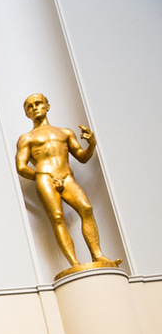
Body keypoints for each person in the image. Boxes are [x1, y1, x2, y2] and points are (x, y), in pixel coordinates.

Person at [15, 93, 118, 270]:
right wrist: (41, 176)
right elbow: (21, 167)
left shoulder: (64, 132)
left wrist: (91, 143)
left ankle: (97, 254)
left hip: (66, 176)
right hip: (46, 177)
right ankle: (74, 263)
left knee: (86, 208)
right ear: (26, 114)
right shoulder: (27, 138)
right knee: (57, 217)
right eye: (29, 107)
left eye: (38, 103)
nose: (35, 108)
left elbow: (82, 157)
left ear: (47, 106)